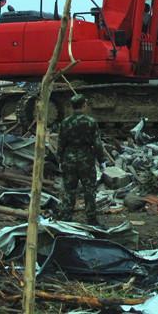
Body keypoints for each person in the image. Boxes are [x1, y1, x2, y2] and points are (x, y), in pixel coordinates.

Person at [57, 94, 107, 225]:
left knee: (69, 190)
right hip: (86, 159)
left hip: (69, 158)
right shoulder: (91, 122)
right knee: (89, 190)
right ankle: (91, 219)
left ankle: (66, 218)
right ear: (84, 105)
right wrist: (102, 160)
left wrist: (60, 159)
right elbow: (97, 143)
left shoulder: (65, 122)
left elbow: (61, 143)